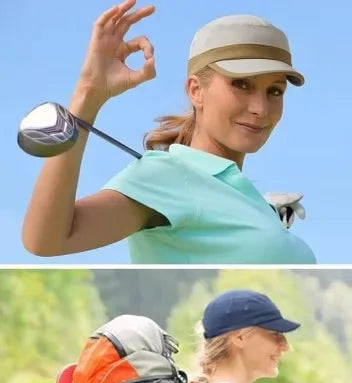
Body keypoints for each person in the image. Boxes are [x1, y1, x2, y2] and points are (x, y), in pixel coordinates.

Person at [22, 1, 315, 264]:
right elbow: (46, 240)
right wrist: (88, 94)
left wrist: (264, 214)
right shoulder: (167, 174)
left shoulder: (245, 196)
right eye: (241, 85)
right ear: (195, 90)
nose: (260, 108)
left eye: (275, 91)